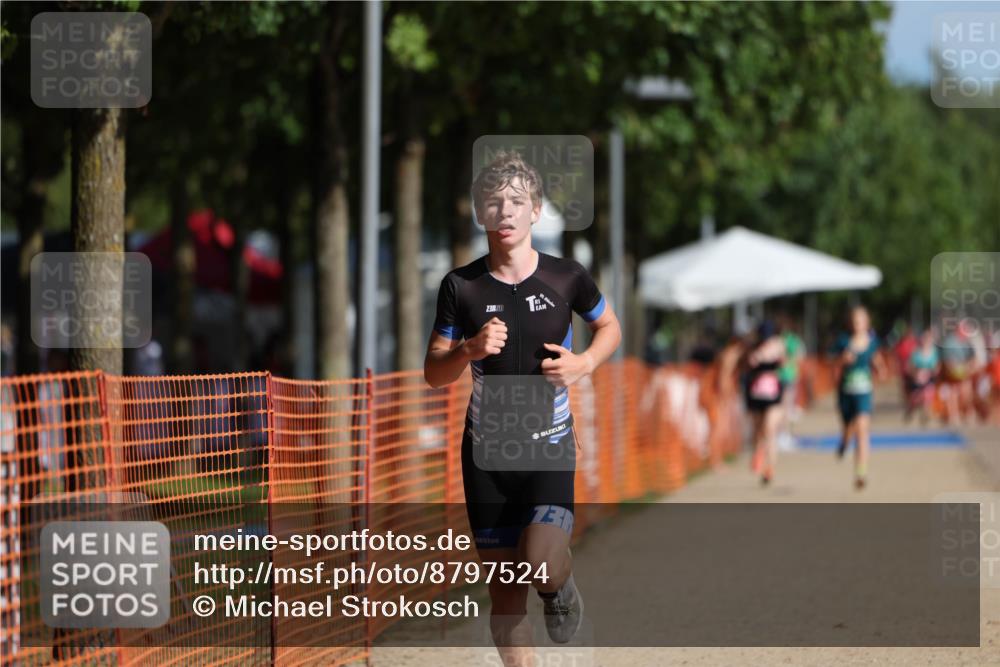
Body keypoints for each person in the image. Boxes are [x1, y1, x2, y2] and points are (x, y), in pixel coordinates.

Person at [424, 151, 621, 664]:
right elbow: (433, 372)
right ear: (480, 213)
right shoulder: (460, 287)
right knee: (506, 598)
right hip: (486, 455)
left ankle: (560, 586)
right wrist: (468, 349)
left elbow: (609, 326)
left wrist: (583, 365)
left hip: (548, 448)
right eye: (493, 202)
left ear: (535, 211)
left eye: (516, 201)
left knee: (540, 565)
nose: (504, 211)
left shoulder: (566, 278)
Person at [831, 305, 887, 490]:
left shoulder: (872, 342)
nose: (857, 325)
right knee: (848, 429)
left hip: (864, 392)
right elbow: (832, 362)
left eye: (861, 321)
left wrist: (881, 370)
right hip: (846, 392)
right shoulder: (843, 341)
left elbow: (877, 359)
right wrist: (842, 360)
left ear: (866, 323)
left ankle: (861, 472)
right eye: (855, 321)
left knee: (862, 430)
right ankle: (843, 443)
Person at [741, 320, 785, 486]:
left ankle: (770, 468)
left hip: (774, 397)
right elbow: (745, 368)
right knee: (758, 431)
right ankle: (758, 450)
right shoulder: (752, 349)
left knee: (769, 430)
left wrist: (779, 360)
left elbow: (787, 365)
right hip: (757, 396)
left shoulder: (778, 347)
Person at [776, 315, 805, 451]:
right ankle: (783, 436)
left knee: (784, 408)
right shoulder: (792, 340)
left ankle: (783, 435)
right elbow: (798, 356)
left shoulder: (778, 339)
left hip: (781, 377)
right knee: (786, 408)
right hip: (787, 377)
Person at [905, 329, 939, 426]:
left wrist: (929, 373)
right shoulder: (916, 353)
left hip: (929, 379)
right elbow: (910, 367)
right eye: (925, 338)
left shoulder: (934, 353)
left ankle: (925, 416)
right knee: (915, 398)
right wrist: (917, 374)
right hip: (917, 379)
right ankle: (911, 410)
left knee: (927, 395)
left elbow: (936, 368)